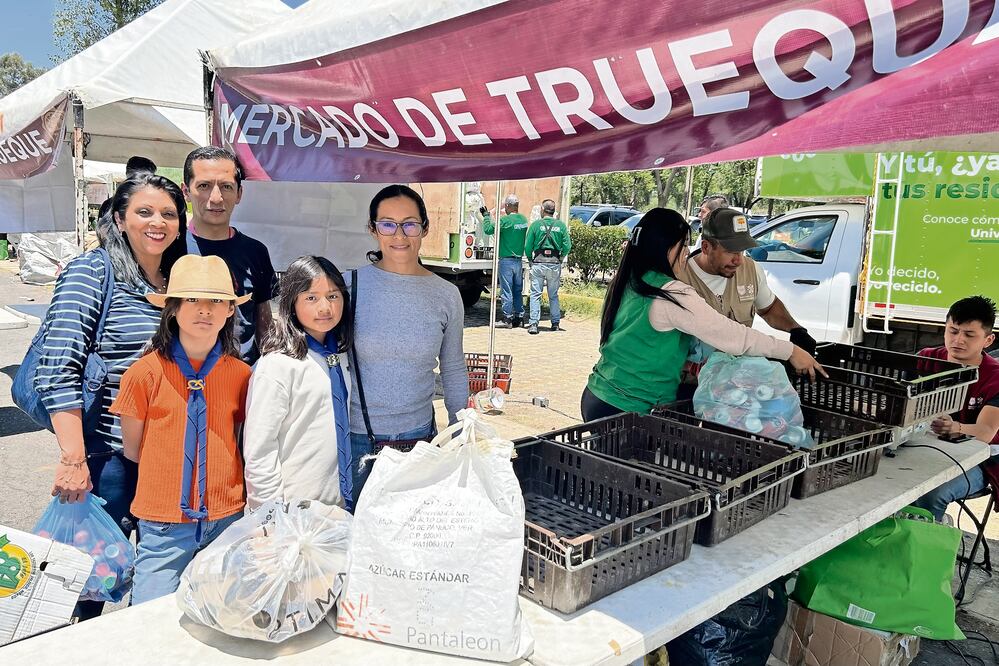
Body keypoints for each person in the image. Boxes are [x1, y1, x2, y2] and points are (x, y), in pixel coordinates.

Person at [35, 172, 186, 620]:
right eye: (144, 212)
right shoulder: (92, 271)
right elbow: (58, 366)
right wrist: (73, 458)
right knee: (85, 583)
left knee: (153, 574)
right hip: (106, 456)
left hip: (163, 454)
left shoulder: (173, 278)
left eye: (168, 213)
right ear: (119, 219)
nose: (157, 222)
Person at [581, 208, 825, 421]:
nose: (687, 253)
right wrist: (790, 351)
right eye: (683, 246)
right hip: (630, 406)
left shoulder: (630, 280)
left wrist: (795, 331)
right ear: (665, 248)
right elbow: (731, 335)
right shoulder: (672, 293)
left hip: (600, 395)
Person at [111, 255, 251, 604]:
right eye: (192, 299)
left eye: (217, 301)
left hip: (225, 517)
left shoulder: (241, 375)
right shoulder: (144, 373)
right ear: (171, 308)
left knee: (219, 614)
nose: (205, 310)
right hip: (164, 521)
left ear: (231, 310)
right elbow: (133, 449)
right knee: (148, 614)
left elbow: (236, 440)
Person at [346, 185, 469, 498]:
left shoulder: (446, 295)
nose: (399, 235)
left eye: (410, 224)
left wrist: (461, 433)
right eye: (387, 224)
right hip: (358, 439)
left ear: (425, 229)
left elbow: (453, 368)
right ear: (372, 230)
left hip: (421, 441)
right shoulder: (348, 286)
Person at [243, 256, 354, 511]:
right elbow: (260, 449)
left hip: (336, 506)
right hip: (293, 510)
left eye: (333, 296)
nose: (325, 307)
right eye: (311, 298)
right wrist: (269, 514)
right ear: (292, 303)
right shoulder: (277, 366)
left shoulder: (343, 356)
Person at [182, 146, 279, 364]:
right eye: (204, 186)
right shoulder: (170, 249)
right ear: (185, 191)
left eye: (226, 187)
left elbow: (264, 324)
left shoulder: (255, 252)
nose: (216, 198)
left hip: (241, 378)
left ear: (239, 194)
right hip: (181, 377)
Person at [674, 207, 817, 353]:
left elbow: (768, 308)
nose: (739, 260)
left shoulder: (751, 270)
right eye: (731, 252)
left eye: (742, 251)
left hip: (737, 371)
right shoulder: (678, 279)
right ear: (706, 247)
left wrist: (796, 329)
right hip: (694, 374)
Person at [912, 296, 999, 521]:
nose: (958, 340)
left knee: (932, 492)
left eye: (969, 335)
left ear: (988, 340)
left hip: (982, 461)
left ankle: (925, 544)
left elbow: (986, 431)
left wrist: (956, 427)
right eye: (953, 331)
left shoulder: (995, 378)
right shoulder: (926, 360)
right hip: (922, 448)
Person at [524, 199, 572, 334]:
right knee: (553, 295)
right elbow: (567, 246)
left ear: (542, 210)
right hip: (554, 264)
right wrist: (561, 257)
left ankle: (533, 324)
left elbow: (528, 246)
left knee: (535, 294)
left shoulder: (535, 225)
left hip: (538, 262)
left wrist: (529, 258)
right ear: (553, 211)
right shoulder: (561, 226)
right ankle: (555, 323)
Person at [481, 194, 529, 328]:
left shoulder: (505, 221)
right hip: (518, 261)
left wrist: (486, 216)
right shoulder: (523, 220)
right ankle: (519, 317)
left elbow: (488, 229)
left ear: (507, 206)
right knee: (517, 290)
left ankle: (507, 319)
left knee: (506, 290)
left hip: (506, 261)